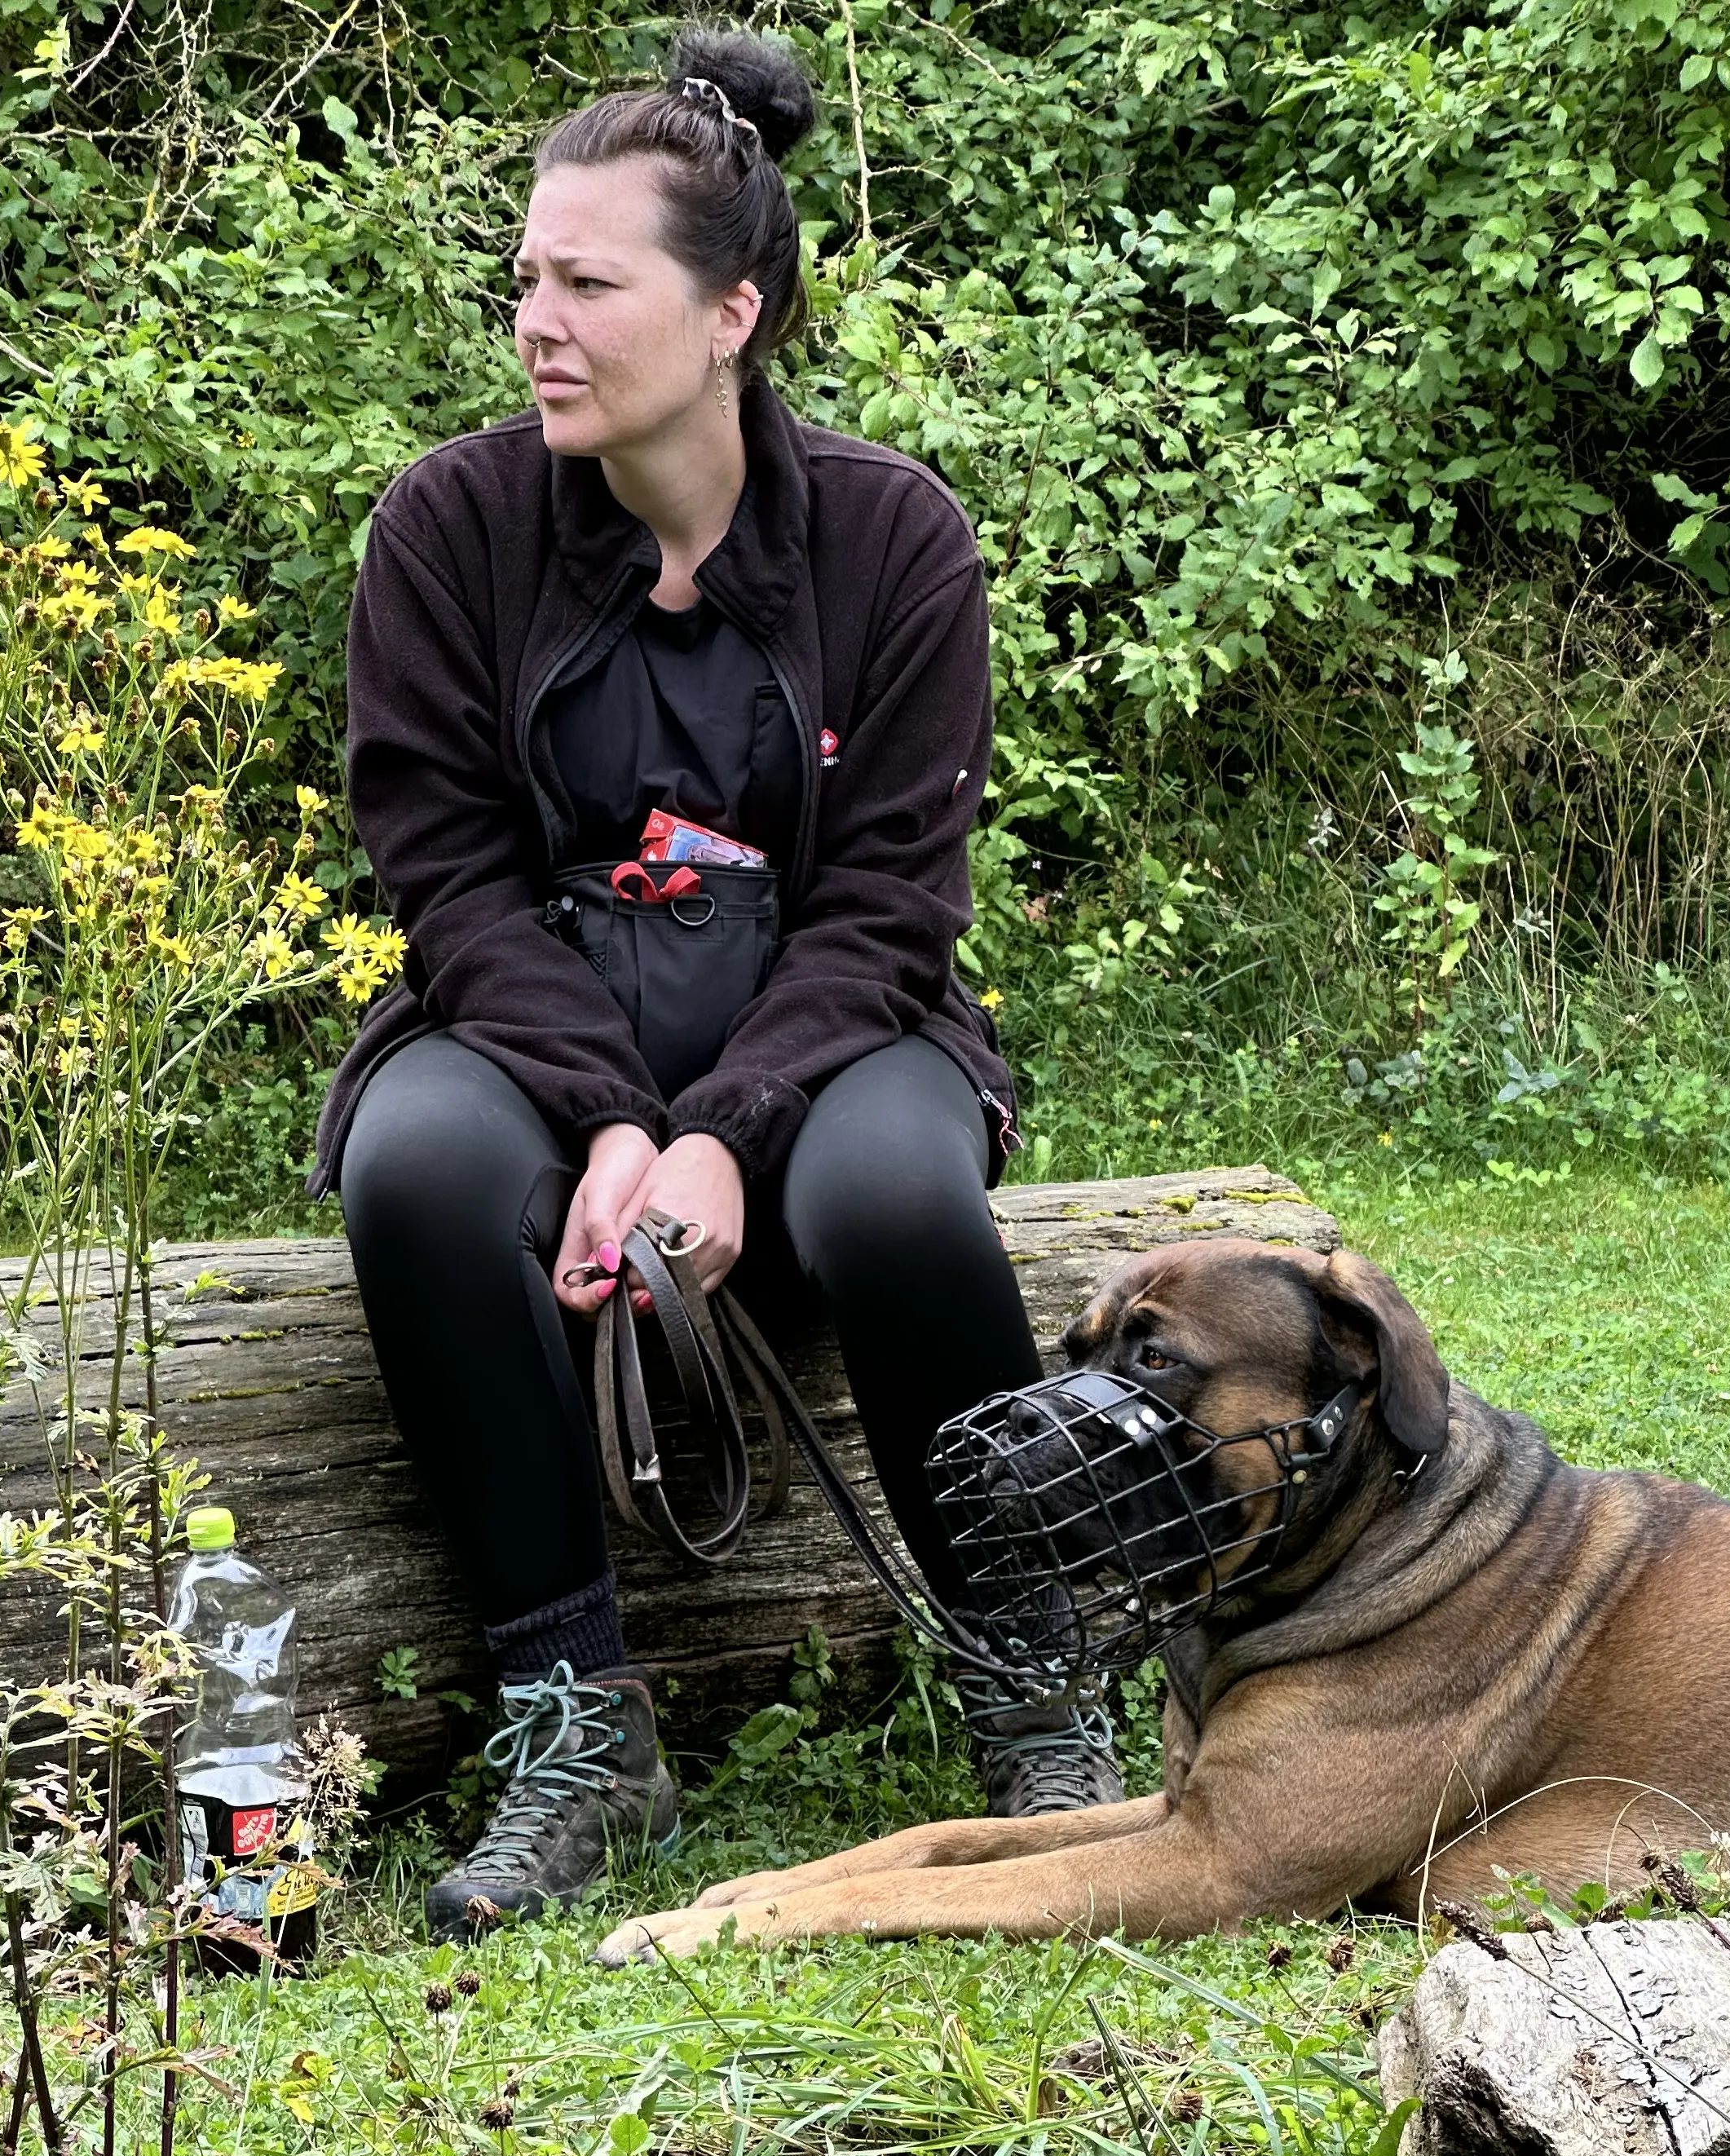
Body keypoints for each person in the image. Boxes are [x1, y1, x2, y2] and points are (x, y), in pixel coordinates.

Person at [315, 25, 1122, 1944]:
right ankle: (578, 1734)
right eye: (527, 276)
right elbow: (449, 882)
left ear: (732, 309)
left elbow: (890, 912)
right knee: (417, 1173)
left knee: (897, 1198)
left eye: (590, 283)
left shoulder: (894, 536)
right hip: (527, 1021)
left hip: (839, 1026)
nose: (539, 321)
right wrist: (608, 1119)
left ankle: (1040, 1695)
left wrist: (731, 1138)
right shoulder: (449, 529)